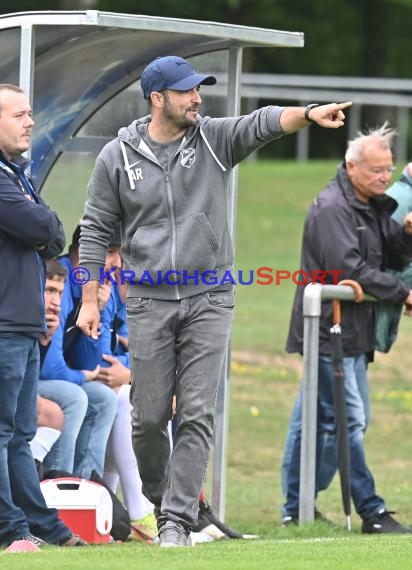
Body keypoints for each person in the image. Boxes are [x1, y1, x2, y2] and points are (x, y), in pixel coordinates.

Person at [76, 55, 351, 547]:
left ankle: (176, 522)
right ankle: (170, 502)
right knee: (148, 417)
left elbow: (262, 123)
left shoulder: (213, 137)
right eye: (186, 91)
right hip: (147, 300)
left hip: (210, 297)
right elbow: (95, 228)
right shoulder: (115, 159)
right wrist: (91, 298)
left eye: (198, 89)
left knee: (198, 411)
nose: (198, 98)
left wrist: (307, 113)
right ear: (158, 98)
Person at [283, 123, 412, 533]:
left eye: (389, 170)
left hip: (353, 329)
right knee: (348, 420)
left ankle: (295, 505)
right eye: (376, 170)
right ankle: (371, 511)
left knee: (321, 422)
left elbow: (390, 252)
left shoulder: (371, 203)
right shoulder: (333, 208)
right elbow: (350, 270)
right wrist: (403, 294)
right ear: (351, 166)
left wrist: (408, 234)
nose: (384, 178)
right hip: (326, 331)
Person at [0, 83, 85, 549]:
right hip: (4, 326)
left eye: (31, 113)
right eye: (20, 114)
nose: (31, 121)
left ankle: (39, 525)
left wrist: (42, 223)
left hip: (22, 326)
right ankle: (12, 529)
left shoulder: (17, 176)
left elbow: (54, 236)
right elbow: (44, 226)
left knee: (18, 434)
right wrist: (42, 223)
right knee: (3, 433)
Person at [39, 228, 118, 479]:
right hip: (30, 375)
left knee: (103, 398)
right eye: (109, 253)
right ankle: (60, 488)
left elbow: (89, 359)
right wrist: (85, 375)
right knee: (74, 396)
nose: (117, 263)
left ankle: (87, 490)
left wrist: (98, 308)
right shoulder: (56, 281)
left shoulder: (93, 288)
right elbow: (50, 368)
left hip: (54, 375)